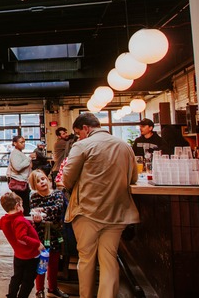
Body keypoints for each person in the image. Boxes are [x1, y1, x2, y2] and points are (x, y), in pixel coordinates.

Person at [63, 112, 139, 298]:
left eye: (78, 133)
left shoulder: (82, 145)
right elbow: (133, 178)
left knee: (86, 258)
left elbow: (67, 179)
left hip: (87, 211)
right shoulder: (124, 146)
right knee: (109, 259)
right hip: (117, 211)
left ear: (86, 128)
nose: (78, 137)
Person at [28, 170, 69, 298]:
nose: (42, 182)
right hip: (41, 235)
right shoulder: (34, 197)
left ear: (48, 179)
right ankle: (39, 290)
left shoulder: (57, 194)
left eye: (43, 179)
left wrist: (42, 210)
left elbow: (58, 209)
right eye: (38, 181)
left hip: (55, 235)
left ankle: (53, 287)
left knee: (54, 263)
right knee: (41, 263)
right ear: (34, 185)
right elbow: (36, 215)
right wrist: (40, 217)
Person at [0, 191, 45, 298]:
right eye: (22, 205)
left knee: (17, 278)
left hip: (18, 255)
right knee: (28, 281)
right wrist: (37, 244)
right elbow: (21, 237)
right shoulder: (20, 220)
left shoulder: (5, 219)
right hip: (30, 256)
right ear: (17, 206)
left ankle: (11, 295)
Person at [8, 135, 32, 216]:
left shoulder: (19, 153)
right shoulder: (15, 154)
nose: (23, 144)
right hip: (19, 182)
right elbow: (18, 167)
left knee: (25, 203)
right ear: (15, 143)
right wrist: (29, 158)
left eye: (24, 142)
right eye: (21, 142)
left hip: (22, 181)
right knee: (23, 204)